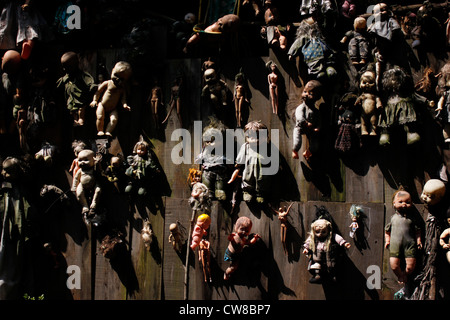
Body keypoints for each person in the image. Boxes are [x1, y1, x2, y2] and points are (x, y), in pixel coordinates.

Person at [385, 189, 422, 285]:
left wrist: (419, 241)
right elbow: (387, 231)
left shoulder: (412, 219)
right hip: (394, 244)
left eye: (407, 202)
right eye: (400, 202)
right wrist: (387, 241)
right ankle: (399, 274)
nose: (404, 204)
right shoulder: (393, 218)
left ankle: (406, 274)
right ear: (394, 203)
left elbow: (418, 231)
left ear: (411, 203)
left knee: (410, 265)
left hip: (410, 244)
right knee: (394, 265)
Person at [292, 80, 322, 161]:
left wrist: (318, 127)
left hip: (311, 129)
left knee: (315, 144)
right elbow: (299, 116)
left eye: (311, 93)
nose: (306, 94)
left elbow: (319, 119)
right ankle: (295, 150)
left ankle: (308, 152)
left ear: (317, 97)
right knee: (297, 139)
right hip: (300, 127)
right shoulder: (302, 107)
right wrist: (305, 123)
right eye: (305, 91)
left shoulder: (316, 110)